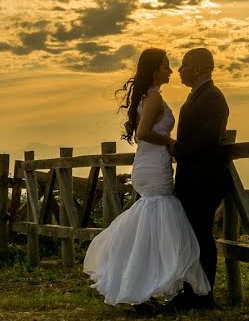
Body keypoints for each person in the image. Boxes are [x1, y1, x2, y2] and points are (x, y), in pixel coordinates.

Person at [83, 48, 210, 306]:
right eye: (165, 66)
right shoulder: (152, 98)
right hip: (153, 164)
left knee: (152, 221)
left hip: (151, 163)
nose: (171, 71)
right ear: (154, 70)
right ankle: (145, 284)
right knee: (157, 216)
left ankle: (146, 282)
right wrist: (170, 142)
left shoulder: (150, 97)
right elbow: (142, 133)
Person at [170, 47, 231, 309]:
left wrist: (176, 149)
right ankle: (192, 290)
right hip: (192, 178)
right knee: (190, 235)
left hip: (203, 180)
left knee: (201, 236)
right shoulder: (198, 96)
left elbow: (208, 138)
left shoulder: (212, 98)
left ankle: (204, 294)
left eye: (183, 65)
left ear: (197, 69)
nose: (179, 70)